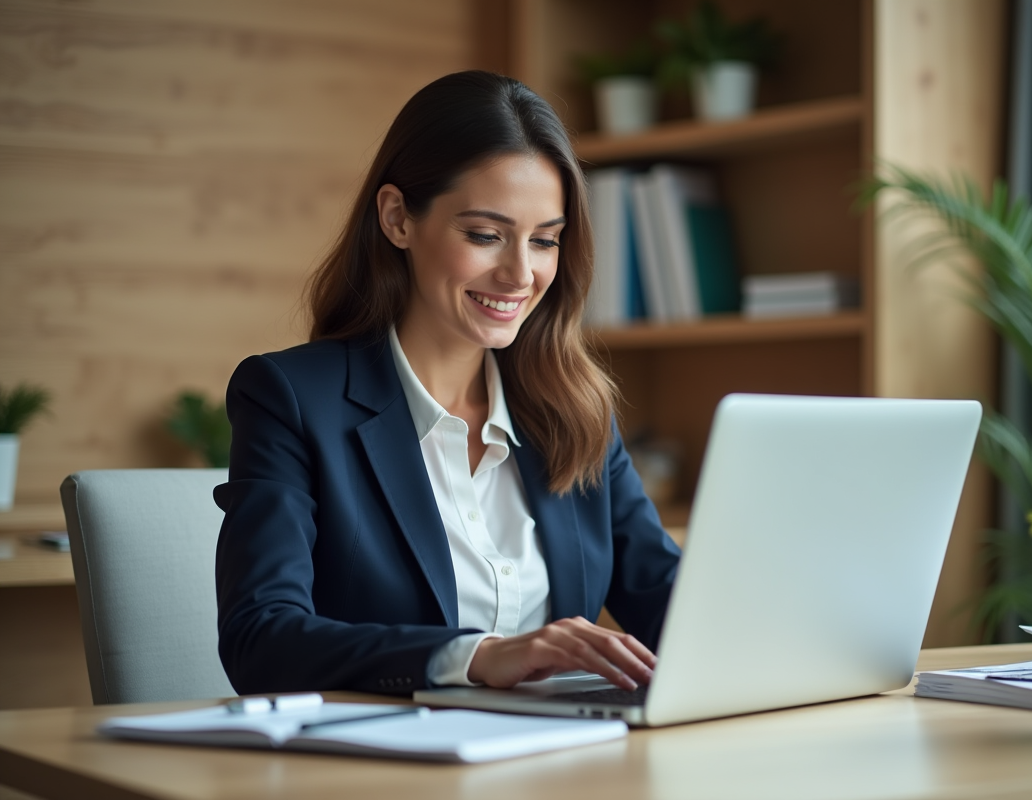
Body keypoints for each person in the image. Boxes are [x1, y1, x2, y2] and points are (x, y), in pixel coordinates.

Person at [214, 71, 681, 697]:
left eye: (545, 240)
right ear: (398, 218)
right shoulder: (291, 399)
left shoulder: (575, 409)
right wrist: (475, 657)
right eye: (485, 235)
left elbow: (670, 605)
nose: (521, 274)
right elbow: (260, 641)